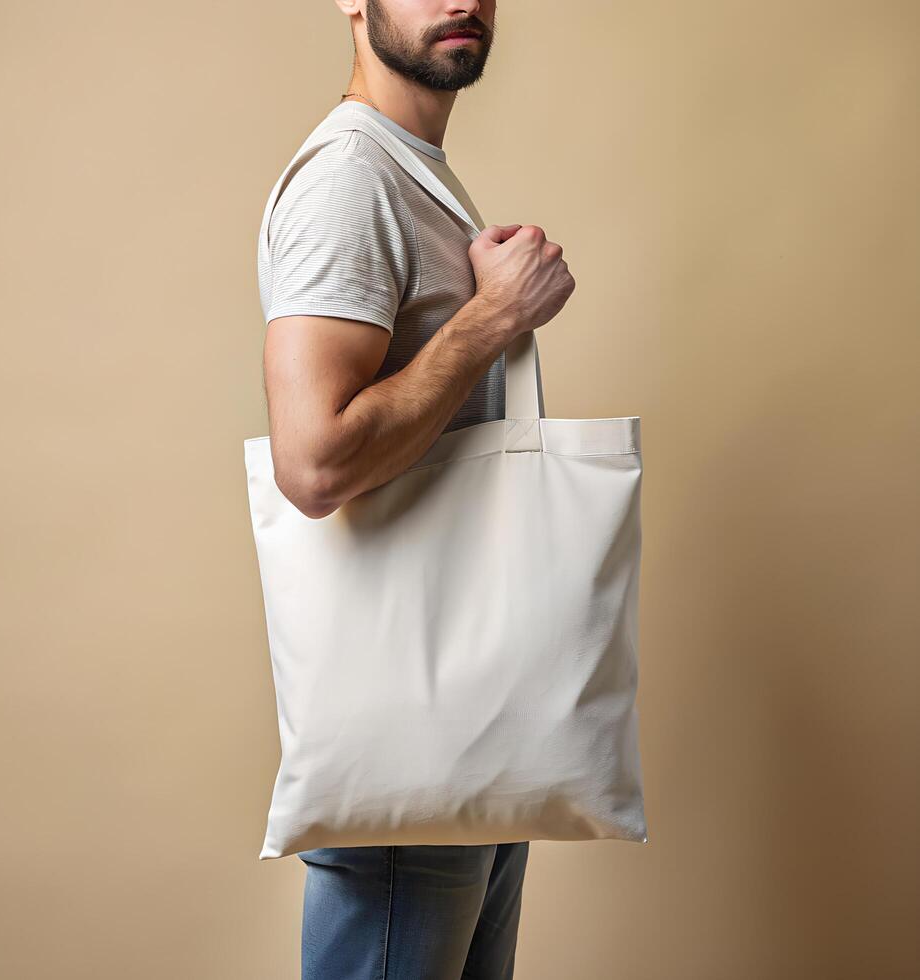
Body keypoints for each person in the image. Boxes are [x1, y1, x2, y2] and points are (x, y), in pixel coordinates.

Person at [258, 1, 576, 976]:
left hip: (468, 733)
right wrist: (490, 321)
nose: (463, 0)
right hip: (410, 741)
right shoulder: (351, 180)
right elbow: (313, 462)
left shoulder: (412, 175)